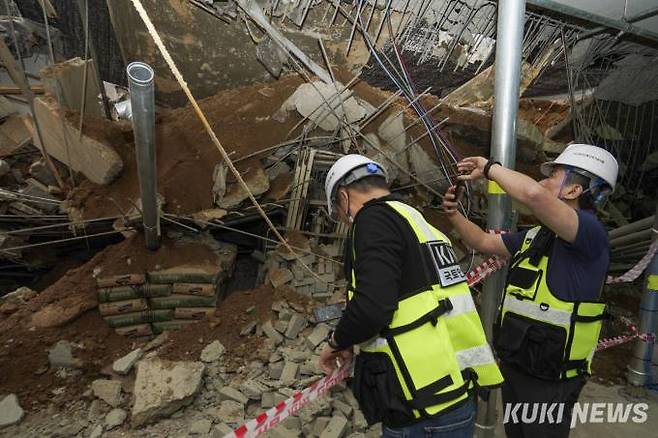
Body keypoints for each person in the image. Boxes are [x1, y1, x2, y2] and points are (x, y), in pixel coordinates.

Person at [318, 154, 503, 438]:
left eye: (341, 215)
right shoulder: (419, 223)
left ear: (343, 197)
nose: (346, 221)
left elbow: (372, 306)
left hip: (420, 405)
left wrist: (337, 341)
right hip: (456, 392)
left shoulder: (372, 219)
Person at [442, 144, 619, 438]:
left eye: (554, 175)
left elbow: (534, 195)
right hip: (518, 363)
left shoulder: (590, 233)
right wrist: (453, 215)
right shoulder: (539, 237)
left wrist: (489, 169)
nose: (542, 181)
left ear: (574, 190)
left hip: (552, 378)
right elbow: (485, 243)